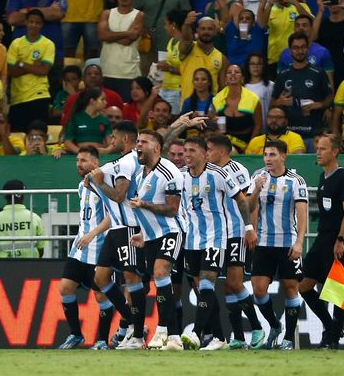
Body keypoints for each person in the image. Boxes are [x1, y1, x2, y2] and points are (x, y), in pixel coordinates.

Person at [179, 137, 253, 351]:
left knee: (207, 281)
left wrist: (248, 227)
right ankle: (219, 337)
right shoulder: (181, 176)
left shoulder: (219, 174)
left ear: (204, 153)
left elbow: (241, 199)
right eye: (185, 150)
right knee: (200, 287)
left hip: (216, 237)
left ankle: (196, 333)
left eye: (192, 150)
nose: (187, 154)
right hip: (191, 239)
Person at [87, 121, 145, 349]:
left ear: (126, 139)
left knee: (132, 279)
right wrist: (95, 180)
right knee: (100, 278)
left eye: (114, 137)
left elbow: (120, 195)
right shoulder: (122, 162)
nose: (112, 140)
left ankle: (137, 333)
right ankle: (130, 318)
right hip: (115, 230)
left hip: (130, 227)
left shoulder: (129, 161)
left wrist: (99, 183)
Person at [247, 139, 308, 350]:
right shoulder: (257, 177)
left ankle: (289, 338)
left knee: (291, 288)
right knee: (259, 290)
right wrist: (255, 190)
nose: (268, 159)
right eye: (265, 155)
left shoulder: (296, 181)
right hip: (263, 242)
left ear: (283, 156)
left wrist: (299, 242)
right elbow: (249, 207)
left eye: (272, 155)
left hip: (287, 243)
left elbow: (302, 214)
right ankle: (274, 325)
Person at [299, 133, 344, 349]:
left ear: (335, 152)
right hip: (322, 239)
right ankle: (330, 325)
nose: (318, 152)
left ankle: (333, 338)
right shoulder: (324, 177)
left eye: (323, 149)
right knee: (304, 286)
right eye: (317, 148)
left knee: (337, 290)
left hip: (336, 240)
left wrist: (341, 240)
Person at [206, 135, 265, 350]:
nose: (206, 152)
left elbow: (250, 203)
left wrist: (252, 229)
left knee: (234, 282)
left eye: (209, 149)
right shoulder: (208, 170)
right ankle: (238, 337)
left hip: (237, 231)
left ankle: (257, 327)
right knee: (227, 289)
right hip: (217, 233)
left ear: (222, 152)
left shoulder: (237, 170)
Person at [129, 130, 185, 350]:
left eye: (143, 142)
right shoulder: (140, 174)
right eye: (137, 141)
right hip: (151, 236)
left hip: (172, 231)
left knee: (161, 273)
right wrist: (143, 232)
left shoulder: (169, 171)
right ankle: (172, 336)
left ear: (156, 147)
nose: (138, 145)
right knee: (160, 282)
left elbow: (172, 209)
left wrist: (144, 204)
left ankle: (167, 332)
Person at [57, 146, 114, 350]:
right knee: (65, 288)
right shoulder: (82, 186)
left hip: (99, 249)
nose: (79, 164)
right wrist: (84, 235)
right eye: (77, 160)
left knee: (101, 296)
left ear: (96, 163)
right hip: (79, 249)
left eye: (83, 160)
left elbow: (112, 217)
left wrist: (92, 234)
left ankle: (102, 340)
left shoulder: (104, 184)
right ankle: (76, 335)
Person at [6, 0, 67, 99]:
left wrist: (26, 12)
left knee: (52, 97)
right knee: (20, 96)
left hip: (53, 54)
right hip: (21, 54)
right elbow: (12, 19)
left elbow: (58, 13)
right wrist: (47, 11)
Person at [272, 32, 333, 153]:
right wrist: (280, 101)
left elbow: (330, 97)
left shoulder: (318, 72)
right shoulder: (283, 74)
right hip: (289, 135)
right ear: (290, 50)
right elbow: (273, 102)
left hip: (313, 134)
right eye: (296, 48)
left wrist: (319, 105)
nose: (300, 51)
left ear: (308, 49)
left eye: (303, 47)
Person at [134, 0, 192, 71]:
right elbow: (132, 16)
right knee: (147, 83)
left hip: (171, 49)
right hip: (147, 48)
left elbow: (187, 19)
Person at [7, 9, 55, 132]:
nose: (34, 25)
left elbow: (44, 70)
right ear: (26, 22)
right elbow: (12, 72)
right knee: (17, 137)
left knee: (38, 135)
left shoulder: (48, 44)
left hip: (39, 96)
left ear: (42, 25)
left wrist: (22, 63)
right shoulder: (16, 43)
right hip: (18, 98)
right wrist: (34, 66)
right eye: (31, 22)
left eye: (37, 23)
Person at [257, 0, 313, 74]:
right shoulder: (271, 10)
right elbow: (261, 24)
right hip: (275, 59)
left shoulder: (301, 6)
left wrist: (295, 2)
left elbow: (311, 21)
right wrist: (269, 4)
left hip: (297, 57)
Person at [98, 0, 144, 102]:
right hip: (107, 71)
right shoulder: (107, 13)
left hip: (128, 73)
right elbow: (102, 35)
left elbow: (129, 41)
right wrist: (127, 33)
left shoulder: (139, 15)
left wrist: (110, 35)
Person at [0, 179, 46, 258]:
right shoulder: (35, 218)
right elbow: (41, 250)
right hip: (30, 267)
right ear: (23, 195)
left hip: (1, 267)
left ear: (5, 196)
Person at [212, 64, 263, 153]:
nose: (233, 74)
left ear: (242, 78)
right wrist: (213, 122)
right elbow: (215, 124)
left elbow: (258, 125)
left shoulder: (253, 99)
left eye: (236, 72)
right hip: (226, 143)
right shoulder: (217, 99)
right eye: (229, 72)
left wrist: (250, 146)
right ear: (225, 78)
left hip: (249, 141)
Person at [179, 12, 228, 104]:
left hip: (210, 109)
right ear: (197, 30)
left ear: (215, 31)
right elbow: (186, 38)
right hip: (188, 107)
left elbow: (223, 88)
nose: (206, 32)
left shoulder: (222, 58)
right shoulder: (188, 49)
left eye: (210, 29)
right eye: (203, 29)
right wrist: (186, 24)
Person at [312, 0, 344, 92]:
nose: (334, 1)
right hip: (325, 69)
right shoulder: (322, 22)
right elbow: (312, 38)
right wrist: (321, 10)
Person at [278, 14, 335, 87]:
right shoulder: (285, 54)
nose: (301, 28)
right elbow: (279, 82)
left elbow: (329, 83)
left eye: (305, 25)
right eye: (297, 26)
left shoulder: (323, 52)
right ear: (294, 29)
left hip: (316, 96)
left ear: (312, 28)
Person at [62, 88, 113, 154]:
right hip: (80, 157)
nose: (106, 102)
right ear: (92, 101)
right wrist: (80, 152)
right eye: (102, 99)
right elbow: (68, 141)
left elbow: (110, 143)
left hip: (99, 156)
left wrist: (106, 151)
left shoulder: (105, 120)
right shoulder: (76, 118)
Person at [158, 9, 187, 115]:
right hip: (165, 88)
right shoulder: (171, 41)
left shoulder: (186, 44)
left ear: (173, 24)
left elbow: (188, 69)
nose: (165, 27)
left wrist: (169, 68)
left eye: (166, 24)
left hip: (177, 90)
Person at [243, 53, 274, 124]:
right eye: (252, 64)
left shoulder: (270, 85)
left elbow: (272, 106)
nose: (255, 66)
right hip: (246, 128)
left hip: (264, 127)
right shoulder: (242, 86)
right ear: (248, 66)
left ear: (263, 66)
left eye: (259, 64)